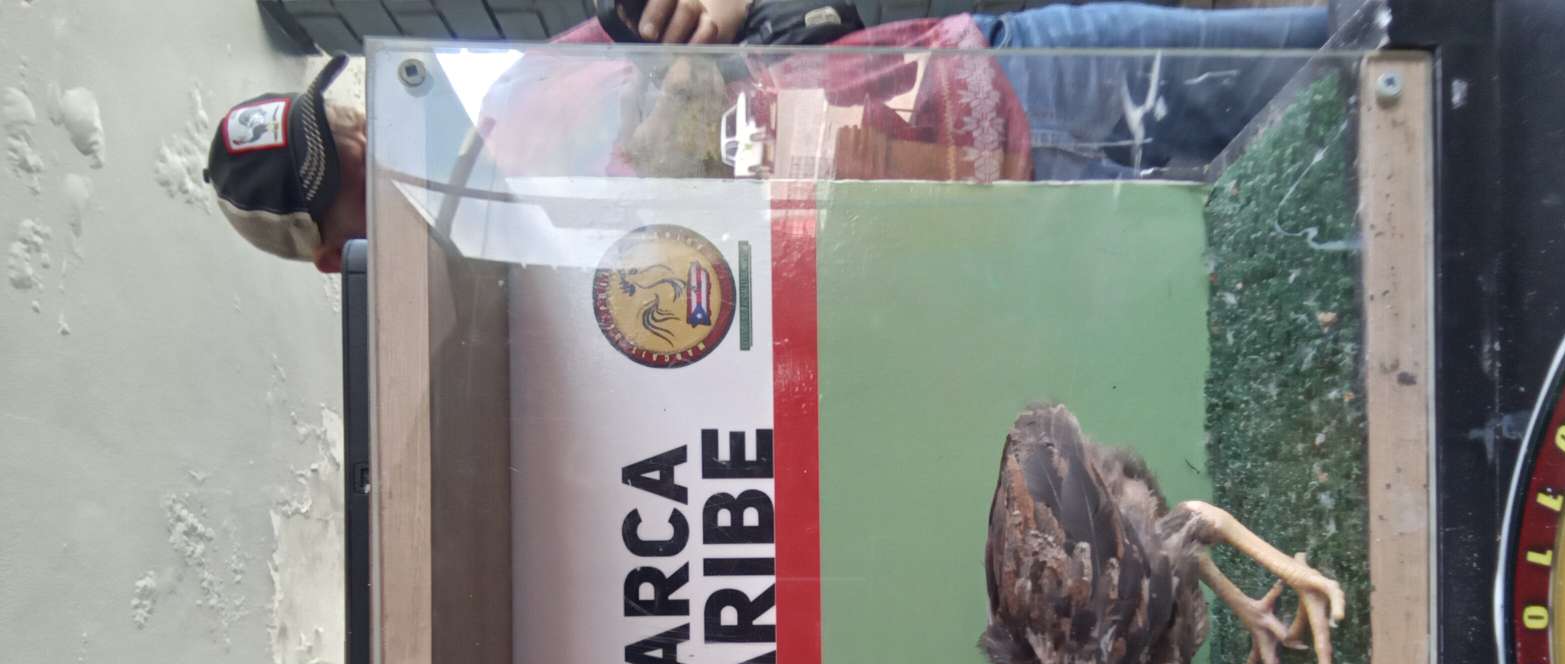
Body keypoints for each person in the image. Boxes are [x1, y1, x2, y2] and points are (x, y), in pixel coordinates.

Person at [204, 3, 1326, 270]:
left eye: (349, 126)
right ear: (332, 253)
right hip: (1007, 254)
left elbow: (670, 23)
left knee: (1345, 50)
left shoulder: (517, 96)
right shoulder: (495, 306)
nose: (370, 142)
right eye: (347, 172)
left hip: (992, 80)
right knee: (1310, 252)